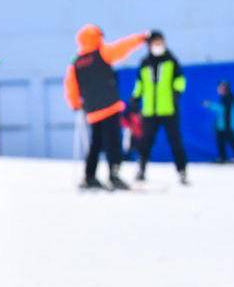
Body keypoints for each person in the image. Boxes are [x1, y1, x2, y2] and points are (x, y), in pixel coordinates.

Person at [63, 24, 151, 190]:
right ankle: (114, 174)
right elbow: (123, 47)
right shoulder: (102, 53)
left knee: (95, 144)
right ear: (97, 37)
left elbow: (70, 85)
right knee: (113, 143)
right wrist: (141, 38)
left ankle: (89, 176)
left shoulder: (76, 63)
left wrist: (75, 103)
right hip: (109, 107)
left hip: (92, 111)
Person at [132, 31, 188, 185]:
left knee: (175, 141)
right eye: (155, 42)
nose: (158, 45)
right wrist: (135, 97)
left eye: (160, 42)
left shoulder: (171, 60)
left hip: (168, 109)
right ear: (149, 45)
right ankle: (141, 169)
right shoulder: (144, 62)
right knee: (145, 142)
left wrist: (177, 92)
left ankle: (182, 171)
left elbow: (180, 80)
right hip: (150, 110)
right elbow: (140, 83)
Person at [203, 80, 234, 163]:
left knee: (232, 141)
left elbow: (222, 109)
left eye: (221, 88)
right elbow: (220, 111)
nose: (219, 89)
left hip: (228, 126)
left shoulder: (230, 98)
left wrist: (210, 104)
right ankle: (222, 158)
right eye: (219, 87)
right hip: (222, 125)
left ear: (226, 88)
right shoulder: (224, 98)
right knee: (220, 142)